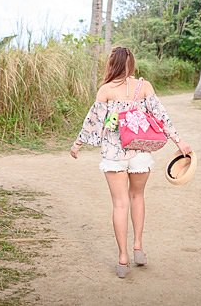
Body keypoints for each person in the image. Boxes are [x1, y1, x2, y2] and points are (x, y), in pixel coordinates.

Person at [70, 45, 192, 278]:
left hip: (114, 153)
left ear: (111, 64)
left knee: (119, 204)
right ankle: (138, 247)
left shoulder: (105, 90)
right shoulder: (144, 87)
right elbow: (161, 117)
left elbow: (93, 121)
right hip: (141, 151)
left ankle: (123, 259)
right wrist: (180, 142)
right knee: (137, 196)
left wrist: (78, 144)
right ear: (131, 63)